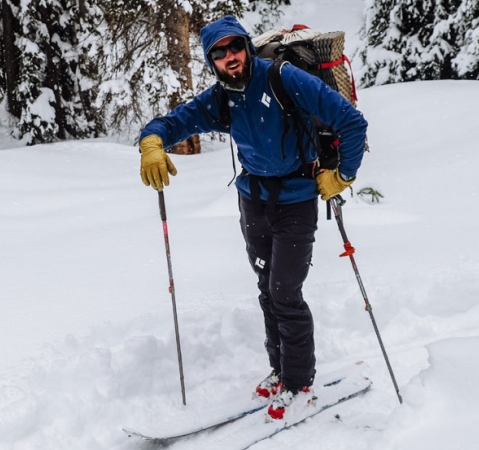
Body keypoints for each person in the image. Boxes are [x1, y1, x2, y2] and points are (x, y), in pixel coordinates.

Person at [138, 15, 368, 420]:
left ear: (246, 45)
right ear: (212, 61)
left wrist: (344, 174)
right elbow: (173, 122)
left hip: (297, 201)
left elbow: (351, 121)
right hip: (253, 201)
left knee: (285, 293)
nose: (230, 57)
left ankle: (299, 385)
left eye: (235, 47)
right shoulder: (221, 97)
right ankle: (280, 370)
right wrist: (152, 142)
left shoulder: (283, 79)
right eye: (219, 53)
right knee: (266, 288)